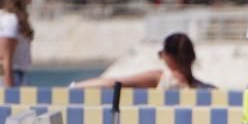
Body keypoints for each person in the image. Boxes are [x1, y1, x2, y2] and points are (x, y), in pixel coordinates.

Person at [71, 32, 215, 89]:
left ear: (168, 57)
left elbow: (114, 83)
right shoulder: (209, 90)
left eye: (161, 55)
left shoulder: (161, 79)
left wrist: (74, 87)